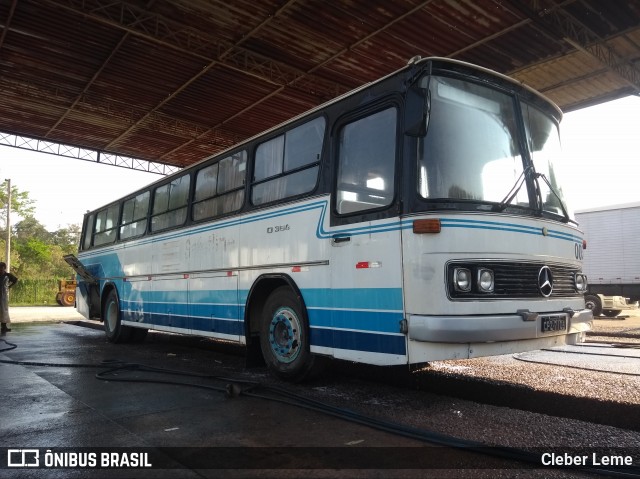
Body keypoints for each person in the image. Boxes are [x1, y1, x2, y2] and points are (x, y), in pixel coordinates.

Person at [0, 262, 18, 333]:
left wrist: (9, 286)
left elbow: (15, 280)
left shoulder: (7, 275)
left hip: (3, 295)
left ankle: (3, 326)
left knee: (4, 310)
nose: (0, 269)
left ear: (4, 268)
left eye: (1, 268)